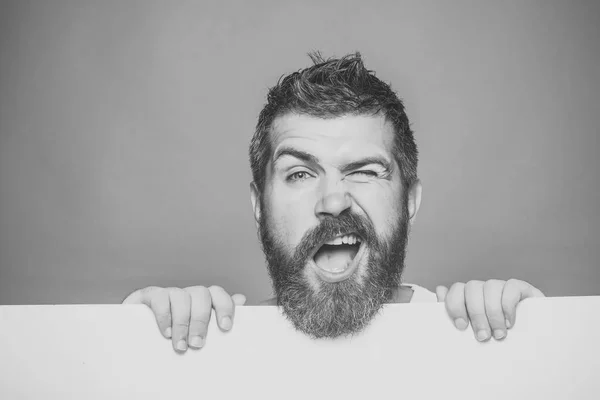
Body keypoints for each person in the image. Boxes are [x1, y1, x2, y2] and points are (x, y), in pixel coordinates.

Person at [123, 52, 545, 353]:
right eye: (300, 174)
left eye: (363, 171)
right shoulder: (213, 346)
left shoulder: (473, 333)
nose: (333, 200)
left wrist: (539, 337)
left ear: (410, 201)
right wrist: (129, 343)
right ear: (259, 205)